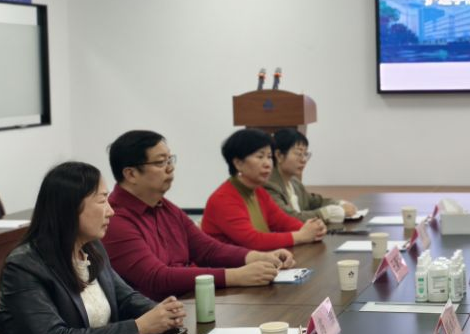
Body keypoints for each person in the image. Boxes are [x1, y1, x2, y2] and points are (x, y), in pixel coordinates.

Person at [0, 162, 186, 334]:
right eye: (102, 201)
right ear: (70, 208)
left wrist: (161, 314)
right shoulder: (23, 266)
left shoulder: (91, 248)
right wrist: (140, 327)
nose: (111, 211)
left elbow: (125, 298)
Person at [102, 130, 294, 301]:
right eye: (160, 162)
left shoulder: (164, 207)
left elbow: (207, 249)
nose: (170, 168)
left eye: (170, 160)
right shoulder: (115, 219)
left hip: (189, 302)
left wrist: (259, 257)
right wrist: (236, 276)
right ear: (131, 174)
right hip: (155, 317)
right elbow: (157, 277)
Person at [202, 129, 327, 250]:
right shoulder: (223, 198)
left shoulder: (258, 191)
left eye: (269, 156)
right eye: (260, 156)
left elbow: (282, 222)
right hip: (228, 264)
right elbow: (253, 241)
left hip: (258, 261)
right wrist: (300, 236)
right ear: (238, 163)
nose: (268, 164)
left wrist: (312, 228)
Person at [265, 128, 357, 222]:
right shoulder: (269, 185)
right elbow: (289, 218)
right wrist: (327, 213)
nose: (304, 160)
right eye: (299, 153)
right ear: (279, 155)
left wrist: (339, 204)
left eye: (305, 154)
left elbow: (314, 202)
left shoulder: (294, 182)